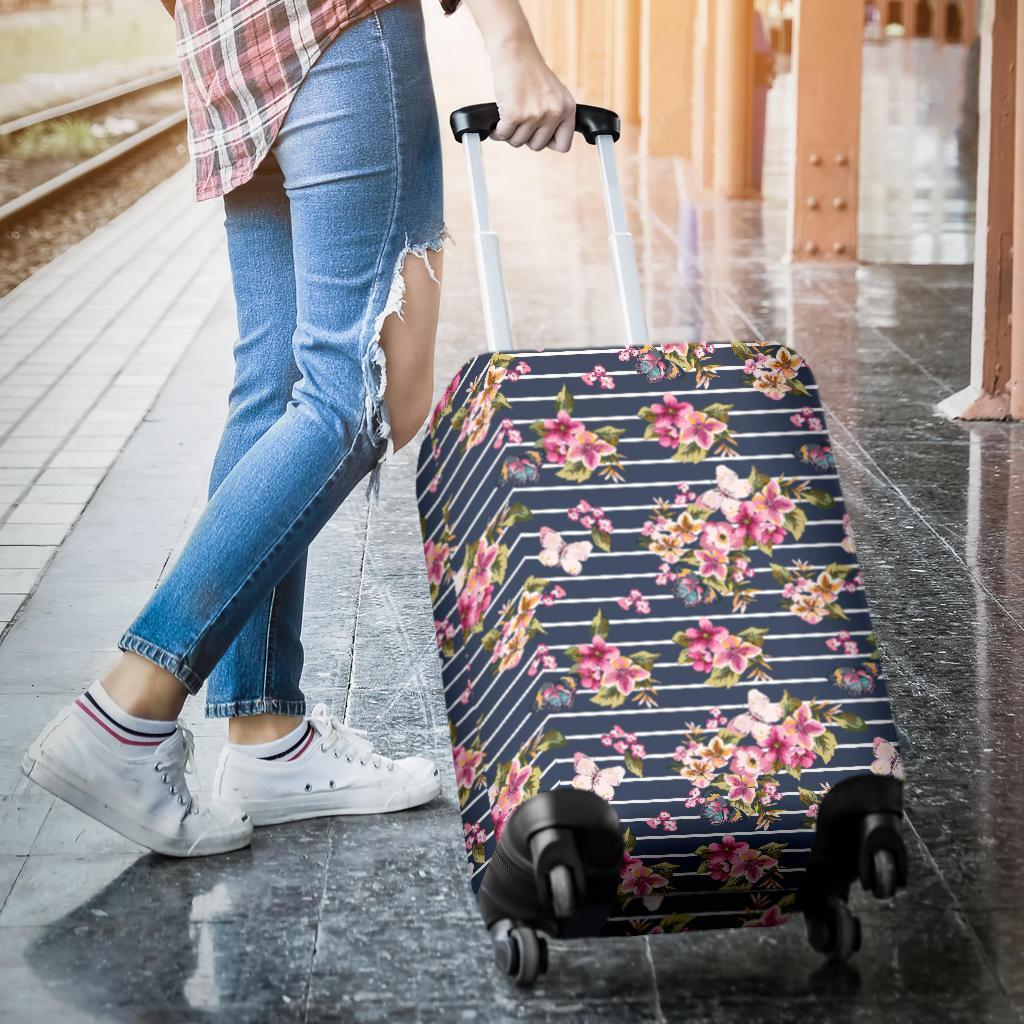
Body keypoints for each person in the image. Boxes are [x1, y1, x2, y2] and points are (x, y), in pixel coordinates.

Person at [22, 0, 576, 857]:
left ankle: (265, 735)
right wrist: (512, 44)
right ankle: (128, 710)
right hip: (341, 27)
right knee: (360, 390)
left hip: (228, 51)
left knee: (276, 383)